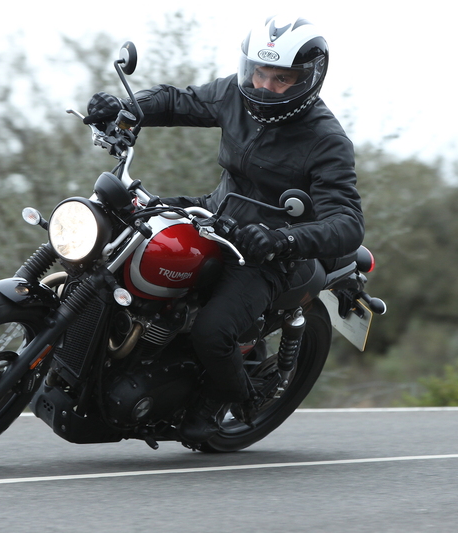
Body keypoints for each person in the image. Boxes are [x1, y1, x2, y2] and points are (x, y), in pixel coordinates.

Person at [83, 15, 365, 444]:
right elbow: (178, 101)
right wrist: (127, 108)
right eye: (260, 72)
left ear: (308, 79)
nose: (264, 86)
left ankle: (235, 400)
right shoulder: (236, 94)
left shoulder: (326, 140)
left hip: (271, 251)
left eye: (282, 79)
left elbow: (347, 222)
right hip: (217, 214)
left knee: (212, 332)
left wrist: (282, 239)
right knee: (117, 222)